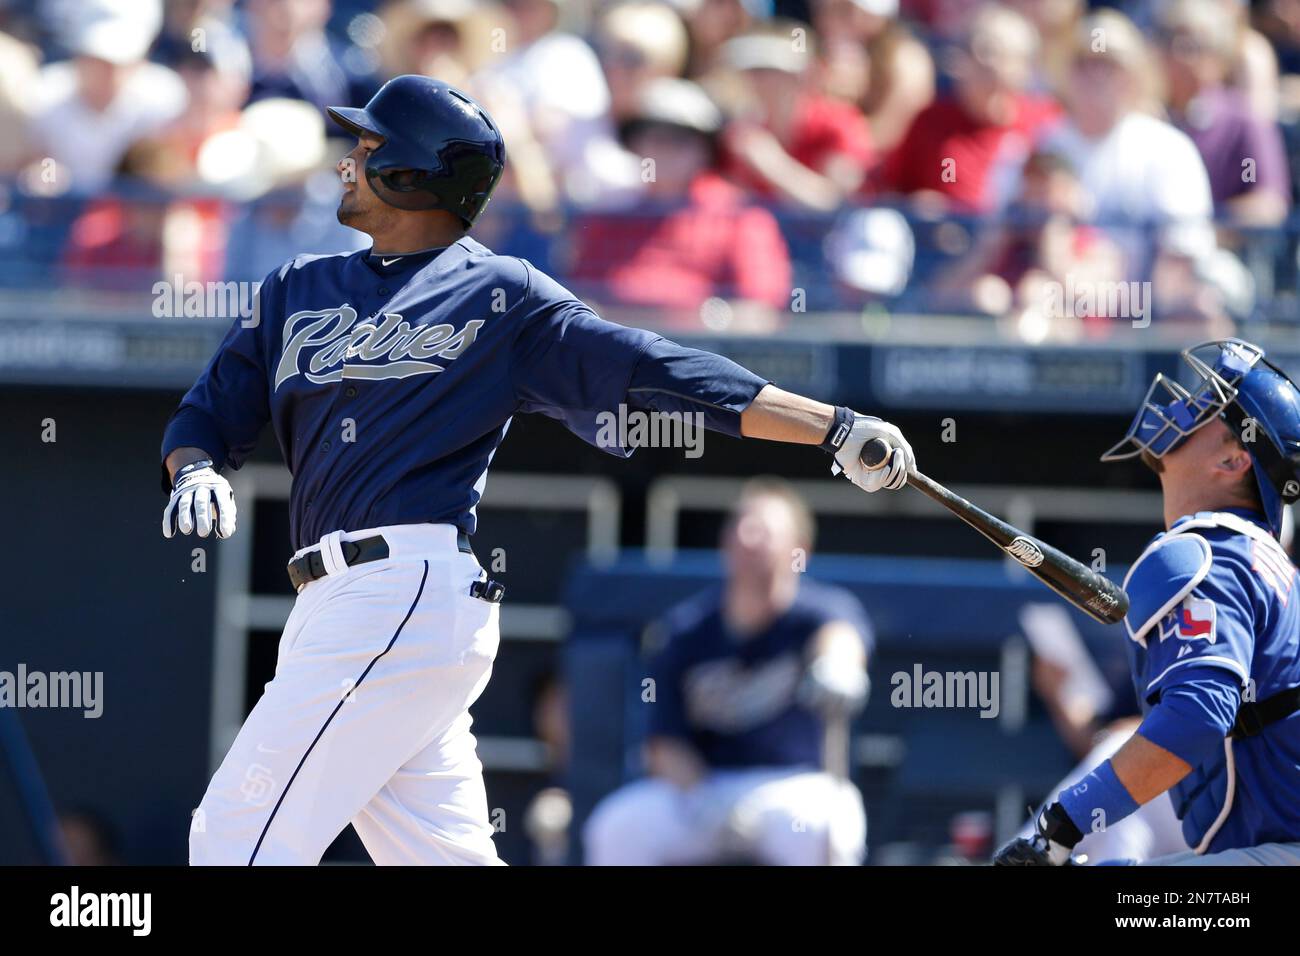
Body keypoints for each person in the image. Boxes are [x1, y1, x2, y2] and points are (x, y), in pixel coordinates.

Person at [162, 74, 916, 866]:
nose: (348, 161)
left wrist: (832, 426)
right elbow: (207, 414)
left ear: (412, 172)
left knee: (233, 837)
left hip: (400, 588)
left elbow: (657, 368)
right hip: (342, 607)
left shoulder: (499, 292)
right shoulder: (295, 288)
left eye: (369, 147)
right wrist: (196, 470)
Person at [995, 339, 1300, 865]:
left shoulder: (1200, 550)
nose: (1184, 406)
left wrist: (1061, 826)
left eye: (1209, 405)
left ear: (1233, 457)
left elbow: (1198, 716)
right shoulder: (1263, 559)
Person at [584, 480, 872, 865]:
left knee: (827, 825)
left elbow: (841, 635)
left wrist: (838, 665)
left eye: (764, 531)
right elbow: (662, 745)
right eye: (740, 527)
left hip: (791, 787)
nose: (748, 539)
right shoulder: (686, 630)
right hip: (705, 787)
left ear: (798, 549)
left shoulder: (818, 613)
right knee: (618, 826)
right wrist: (705, 800)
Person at [567, 77, 792, 325]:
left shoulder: (741, 217)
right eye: (655, 138)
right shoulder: (609, 215)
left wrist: (694, 325)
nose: (666, 150)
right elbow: (581, 299)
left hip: (701, 356)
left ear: (704, 151)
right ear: (636, 146)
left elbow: (760, 312)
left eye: (680, 140)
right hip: (618, 356)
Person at [872, 4, 1057, 214]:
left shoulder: (1046, 124)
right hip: (949, 241)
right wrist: (919, 206)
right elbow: (891, 187)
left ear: (1024, 69)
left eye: (999, 55)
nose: (987, 64)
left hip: (1020, 243)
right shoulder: (931, 123)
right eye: (979, 51)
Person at [1159, 0, 1290, 227]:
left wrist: (1203, 230)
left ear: (1218, 58)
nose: (1178, 55)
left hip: (1222, 254)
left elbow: (1268, 204)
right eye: (1171, 42)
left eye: (1191, 46)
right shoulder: (1150, 121)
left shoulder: (1242, 123)